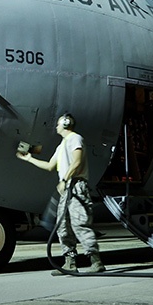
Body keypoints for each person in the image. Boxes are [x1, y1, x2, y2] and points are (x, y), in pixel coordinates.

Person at [16, 113, 106, 275]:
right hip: (67, 189)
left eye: (58, 124)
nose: (56, 126)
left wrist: (64, 180)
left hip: (76, 186)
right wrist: (29, 159)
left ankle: (96, 261)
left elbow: (77, 162)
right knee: (63, 226)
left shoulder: (75, 139)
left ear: (66, 123)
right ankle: (70, 262)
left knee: (79, 224)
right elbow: (50, 166)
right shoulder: (62, 145)